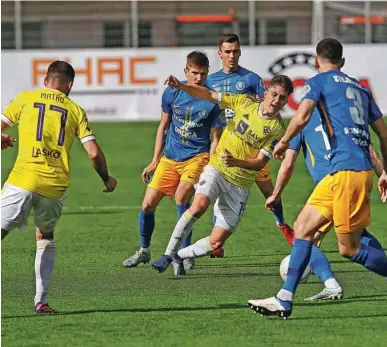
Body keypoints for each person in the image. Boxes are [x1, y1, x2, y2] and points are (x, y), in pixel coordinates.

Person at [247, 38, 387, 319]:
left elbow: (300, 118)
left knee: (349, 249)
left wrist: (282, 141)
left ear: (316, 61)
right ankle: (284, 299)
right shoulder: (361, 89)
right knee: (303, 228)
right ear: (343, 62)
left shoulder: (318, 82)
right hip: (343, 173)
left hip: (347, 173)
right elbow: (385, 136)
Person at [1, 61, 117, 314]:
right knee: (45, 236)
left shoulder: (25, 98)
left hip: (23, 180)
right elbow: (94, 153)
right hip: (54, 186)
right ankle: (41, 301)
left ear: (46, 80)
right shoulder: (75, 110)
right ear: (70, 85)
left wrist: (2, 138)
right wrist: (106, 178)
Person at [151, 75, 293, 275]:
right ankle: (167, 254)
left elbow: (260, 163)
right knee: (198, 205)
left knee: (216, 241)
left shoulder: (278, 130)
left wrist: (236, 162)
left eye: (282, 98)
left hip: (240, 185)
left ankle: (179, 256)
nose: (276, 100)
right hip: (217, 168)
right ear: (266, 92)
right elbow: (209, 94)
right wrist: (183, 86)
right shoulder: (245, 102)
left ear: (287, 101)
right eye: (274, 94)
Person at [266, 108, 387, 300]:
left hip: (330, 185)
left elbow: (288, 164)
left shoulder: (301, 121)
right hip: (354, 177)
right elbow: (372, 155)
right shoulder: (343, 118)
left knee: (305, 236)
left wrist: (276, 193)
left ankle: (329, 284)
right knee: (358, 233)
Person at [122, 51, 225, 273]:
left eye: (203, 74)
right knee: (148, 204)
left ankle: (182, 255)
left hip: (197, 157)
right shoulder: (172, 93)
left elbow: (216, 137)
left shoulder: (213, 100)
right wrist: (154, 160)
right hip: (170, 158)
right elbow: (163, 126)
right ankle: (144, 250)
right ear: (186, 71)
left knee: (182, 196)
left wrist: (211, 163)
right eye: (195, 73)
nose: (199, 78)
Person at [205, 34, 293, 259]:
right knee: (215, 192)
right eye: (228, 51)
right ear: (220, 53)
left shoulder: (252, 79)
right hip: (224, 145)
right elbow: (207, 109)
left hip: (252, 146)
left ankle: (281, 223)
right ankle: (217, 243)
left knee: (268, 191)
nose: (232, 55)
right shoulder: (210, 80)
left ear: (240, 52)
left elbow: (264, 108)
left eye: (235, 51)